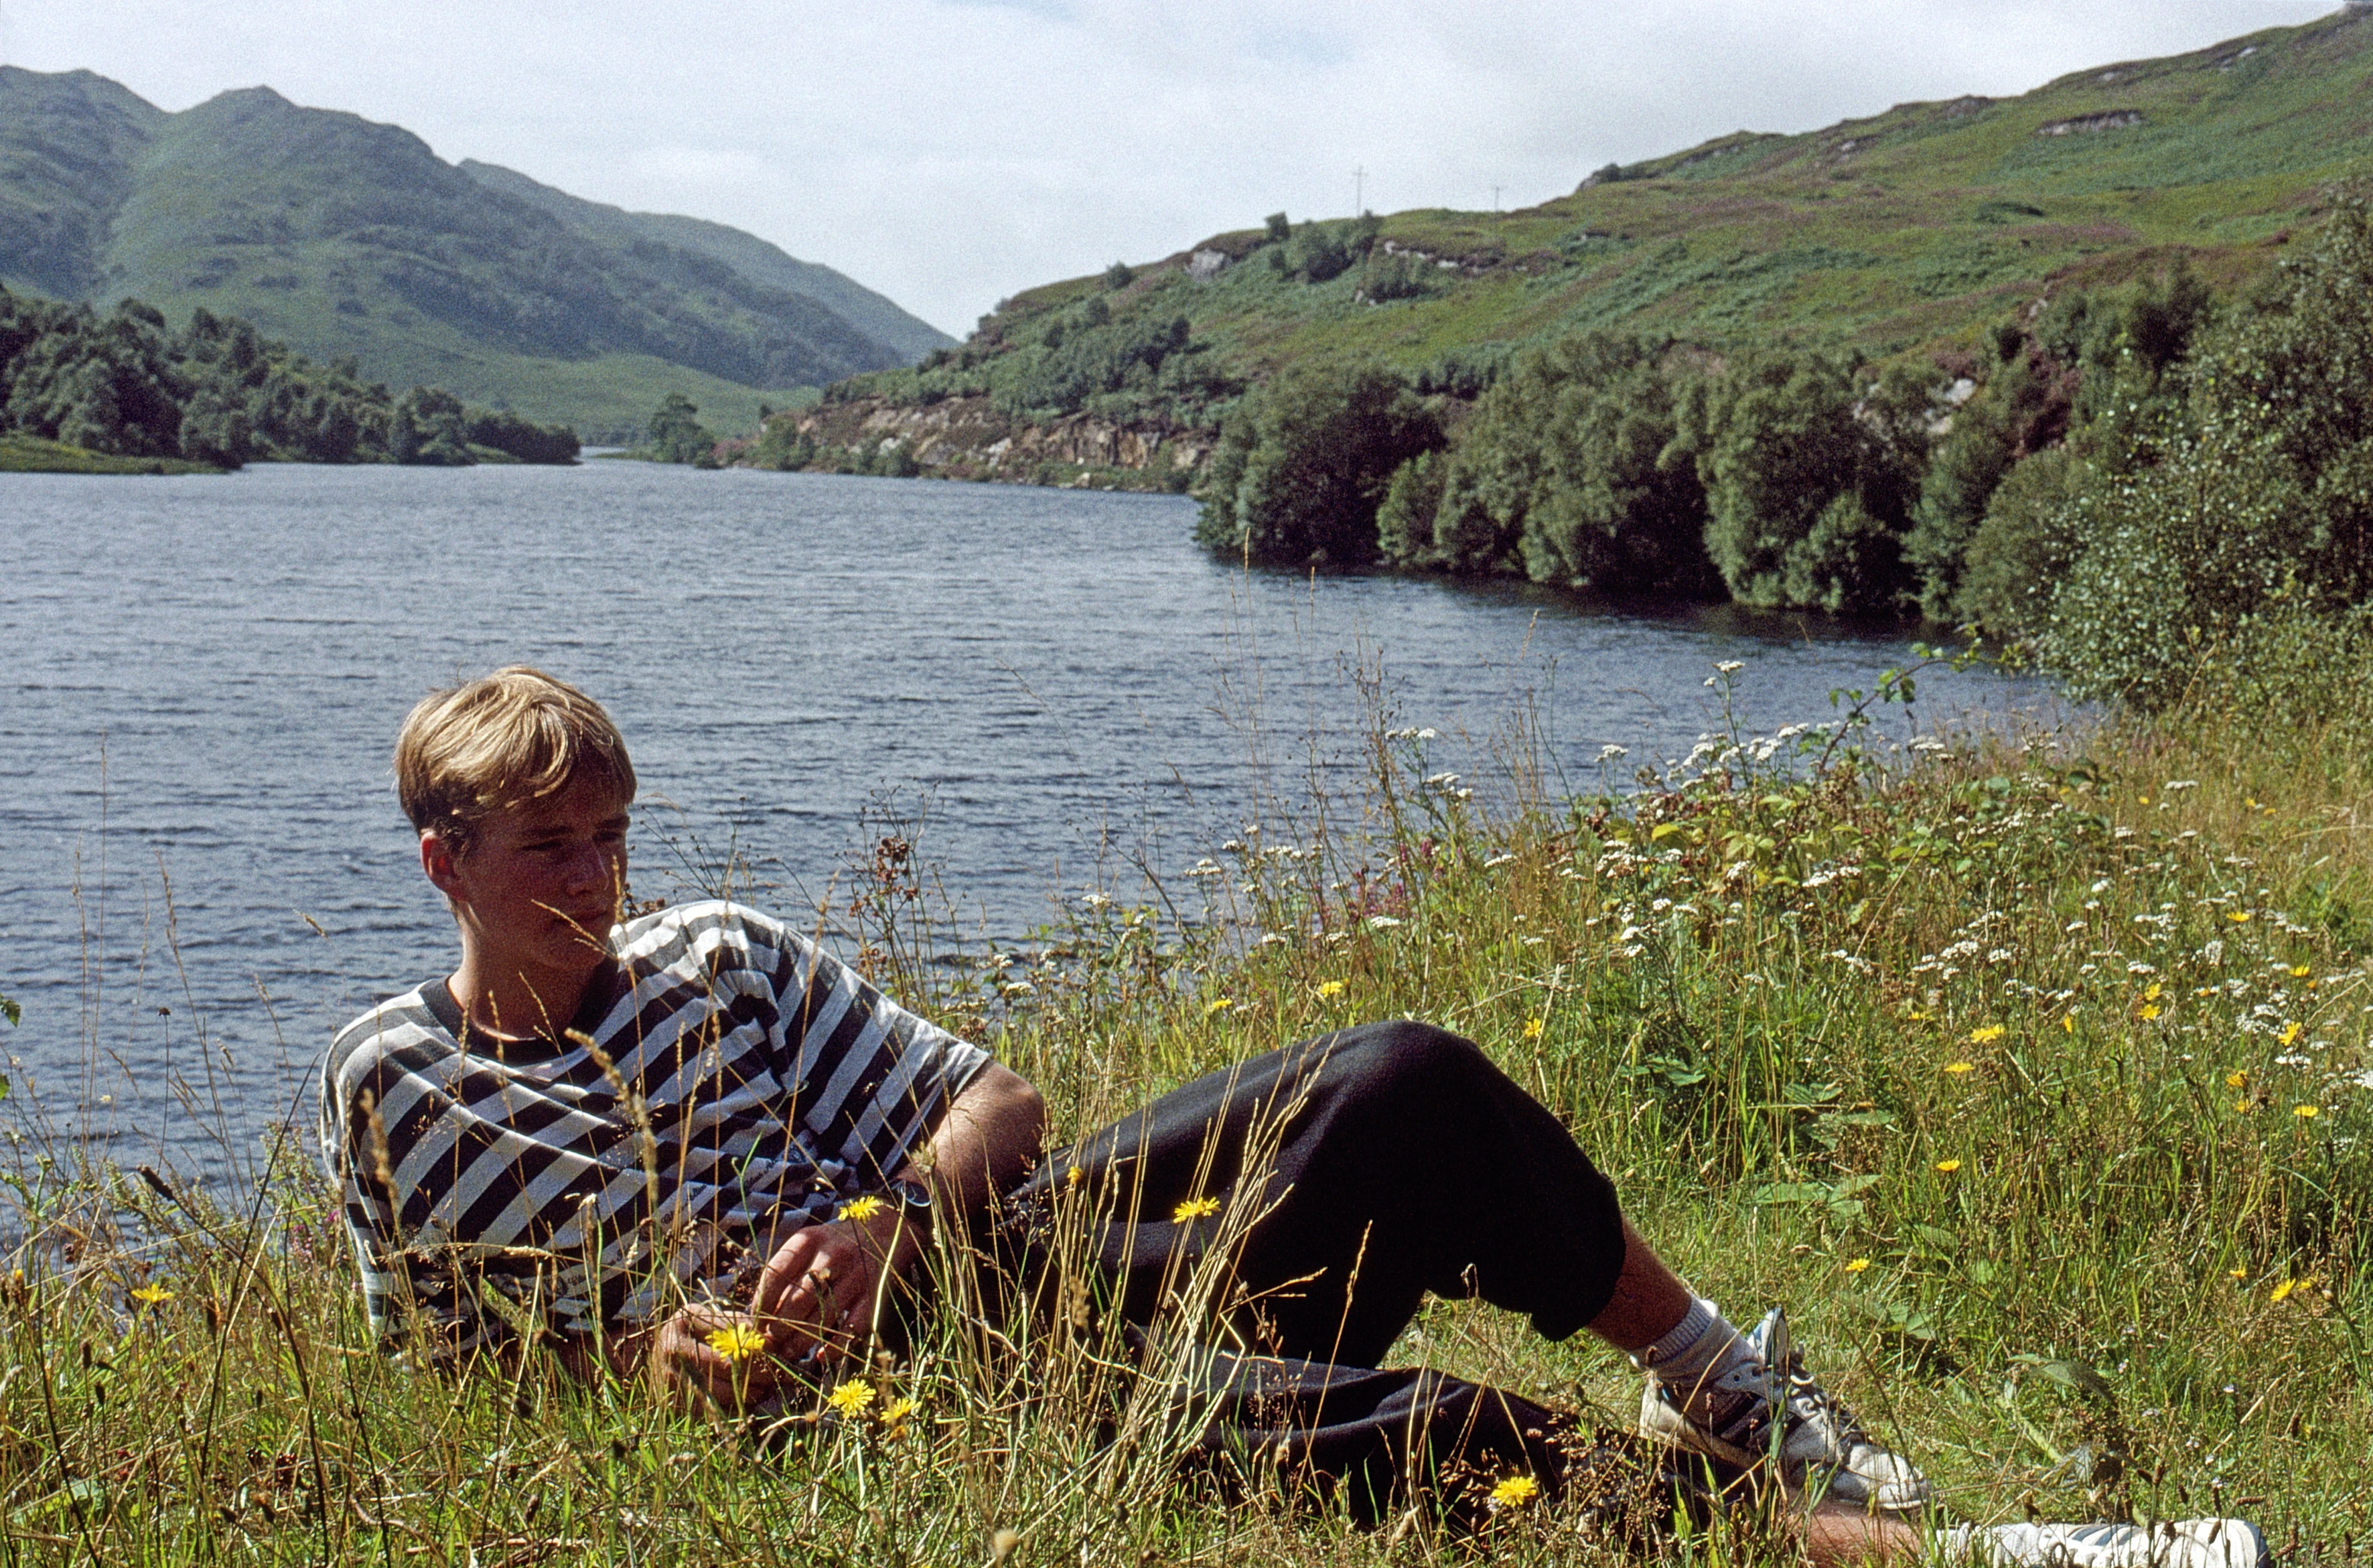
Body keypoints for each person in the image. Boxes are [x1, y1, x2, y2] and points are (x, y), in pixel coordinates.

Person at [319, 667, 2264, 1568]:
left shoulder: (717, 959)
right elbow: (448, 1374)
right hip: (847, 1417)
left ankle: (1720, 1376)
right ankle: (1962, 1555)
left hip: (986, 1289)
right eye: (550, 850)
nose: (598, 877)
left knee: (1398, 1072)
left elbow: (1000, 1102)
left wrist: (901, 1215)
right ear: (445, 862)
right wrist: (637, 1372)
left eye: (611, 834)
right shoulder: (396, 1087)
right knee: (1403, 1434)